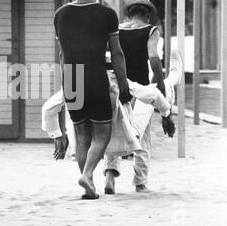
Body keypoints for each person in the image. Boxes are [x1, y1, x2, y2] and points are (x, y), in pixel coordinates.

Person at [42, 50, 182, 190]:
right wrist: (166, 114)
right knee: (152, 91)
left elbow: (48, 109)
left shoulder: (76, 83)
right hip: (125, 141)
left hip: (90, 145)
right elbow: (154, 95)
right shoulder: (115, 78)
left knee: (97, 116)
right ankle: (172, 80)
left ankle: (109, 177)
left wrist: (58, 136)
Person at [54, 0, 131, 200]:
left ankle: (89, 186)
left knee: (82, 136)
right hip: (95, 76)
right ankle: (87, 175)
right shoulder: (107, 14)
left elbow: (62, 54)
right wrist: (124, 84)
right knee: (102, 135)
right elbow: (117, 53)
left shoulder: (61, 14)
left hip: (71, 77)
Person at [104, 0, 171, 194]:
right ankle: (140, 182)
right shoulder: (151, 30)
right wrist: (159, 85)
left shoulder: (116, 30)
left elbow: (108, 57)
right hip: (140, 88)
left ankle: (109, 174)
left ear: (128, 13)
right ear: (148, 13)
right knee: (143, 135)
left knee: (117, 128)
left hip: (120, 86)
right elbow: (154, 58)